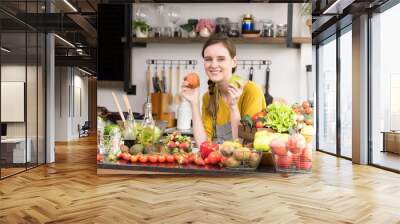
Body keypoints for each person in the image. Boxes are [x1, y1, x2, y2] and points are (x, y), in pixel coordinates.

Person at [181, 34, 267, 146]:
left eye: (221, 59)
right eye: (208, 59)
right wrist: (194, 103)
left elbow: (245, 146)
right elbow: (203, 144)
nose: (213, 64)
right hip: (220, 161)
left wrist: (233, 106)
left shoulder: (251, 91)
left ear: (233, 62)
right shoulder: (209, 97)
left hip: (246, 161)